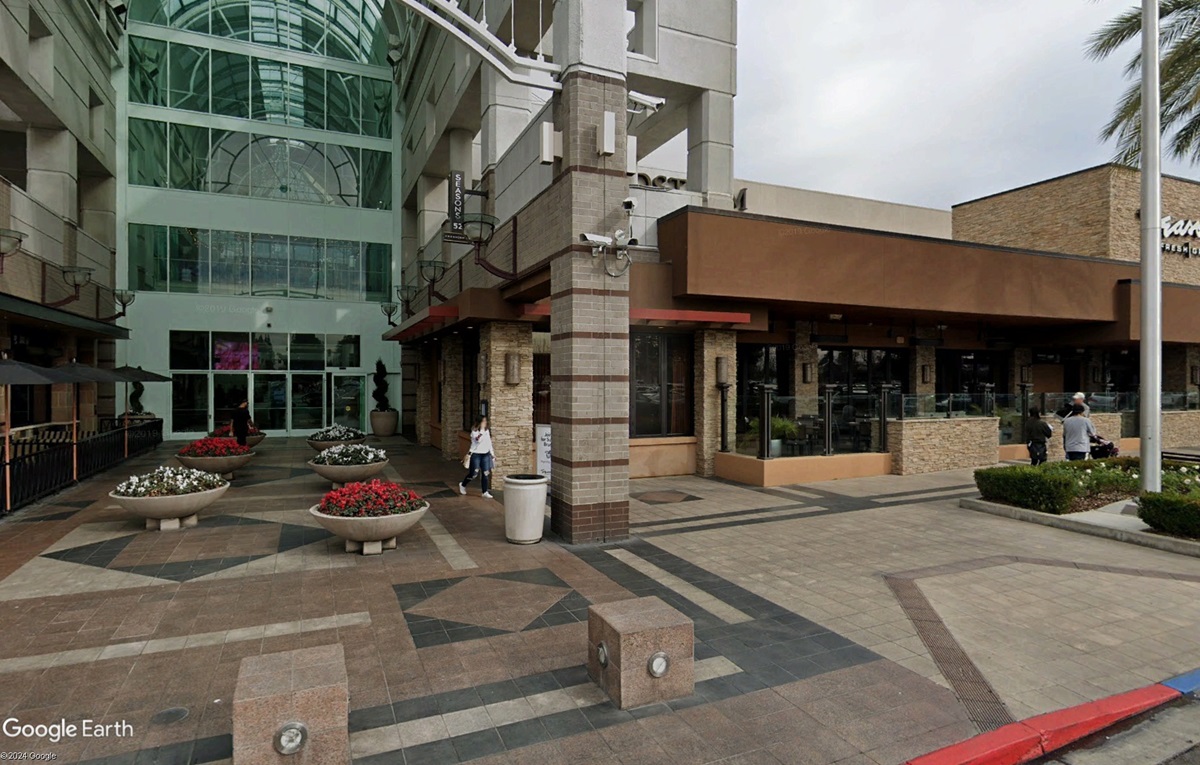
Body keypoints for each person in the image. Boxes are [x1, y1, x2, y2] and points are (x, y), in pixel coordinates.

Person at [459, 415, 496, 499]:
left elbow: (489, 442)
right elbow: (478, 440)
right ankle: (463, 484)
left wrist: (492, 453)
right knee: (473, 474)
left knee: (485, 473)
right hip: (476, 454)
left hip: (485, 454)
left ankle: (485, 491)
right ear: (479, 422)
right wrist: (482, 431)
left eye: (485, 421)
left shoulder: (487, 431)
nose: (485, 423)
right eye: (483, 421)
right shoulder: (474, 432)